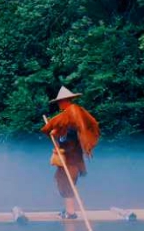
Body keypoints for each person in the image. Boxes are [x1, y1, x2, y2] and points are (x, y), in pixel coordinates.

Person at [41, 87, 100, 218]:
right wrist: (56, 134)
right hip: (69, 157)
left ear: (65, 101)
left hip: (71, 158)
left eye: (60, 102)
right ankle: (68, 210)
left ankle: (71, 213)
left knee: (66, 184)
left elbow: (72, 134)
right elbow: (64, 132)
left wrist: (53, 131)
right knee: (64, 183)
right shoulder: (68, 116)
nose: (59, 104)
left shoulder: (73, 113)